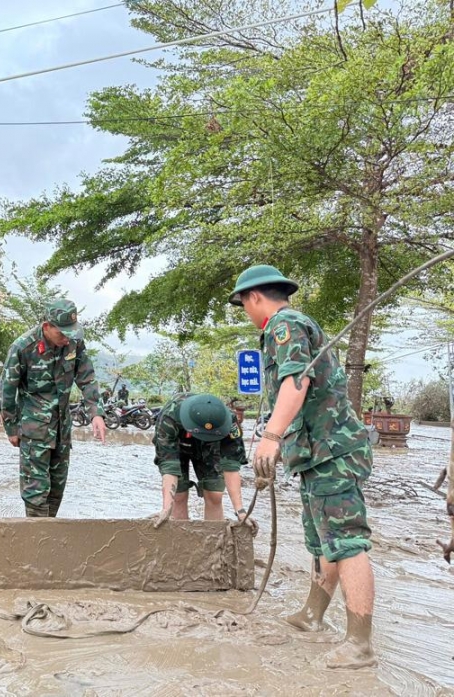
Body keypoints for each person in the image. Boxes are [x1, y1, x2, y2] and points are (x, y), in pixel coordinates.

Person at [231, 264, 376, 669]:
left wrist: (270, 437)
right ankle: (313, 615)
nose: (245, 311)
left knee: (347, 543)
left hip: (333, 451)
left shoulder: (285, 325)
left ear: (255, 297)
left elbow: (297, 382)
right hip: (315, 453)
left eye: (243, 304)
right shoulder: (288, 326)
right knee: (323, 540)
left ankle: (360, 643)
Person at [2, 299, 106, 517]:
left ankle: (48, 538)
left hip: (62, 430)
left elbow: (86, 377)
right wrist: (11, 428)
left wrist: (96, 413)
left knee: (56, 492)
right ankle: (37, 543)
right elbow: (7, 390)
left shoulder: (73, 343)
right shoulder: (23, 347)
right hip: (34, 432)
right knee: (36, 496)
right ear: (47, 326)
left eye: (70, 333)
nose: (67, 338)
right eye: (62, 333)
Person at [152, 392, 251, 527]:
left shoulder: (229, 422)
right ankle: (181, 540)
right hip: (178, 444)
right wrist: (166, 508)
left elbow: (231, 466)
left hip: (211, 445)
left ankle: (214, 540)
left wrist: (240, 511)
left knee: (215, 494)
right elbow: (169, 466)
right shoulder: (170, 417)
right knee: (178, 496)